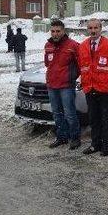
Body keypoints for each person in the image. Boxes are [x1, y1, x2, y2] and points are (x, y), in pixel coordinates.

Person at [78, 18, 108, 157]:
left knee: (106, 119)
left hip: (105, 89)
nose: (93, 31)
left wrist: (105, 77)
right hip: (90, 88)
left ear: (100, 29)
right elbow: (82, 65)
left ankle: (107, 146)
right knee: (94, 119)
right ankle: (95, 144)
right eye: (90, 28)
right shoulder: (83, 46)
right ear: (87, 30)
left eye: (95, 28)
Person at [45, 19, 81, 150]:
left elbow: (81, 64)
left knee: (69, 113)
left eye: (58, 31)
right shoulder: (48, 45)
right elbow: (47, 64)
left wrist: (72, 76)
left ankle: (75, 138)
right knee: (57, 113)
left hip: (66, 86)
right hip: (52, 85)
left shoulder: (73, 45)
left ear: (63, 31)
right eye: (53, 31)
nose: (55, 34)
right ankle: (62, 137)